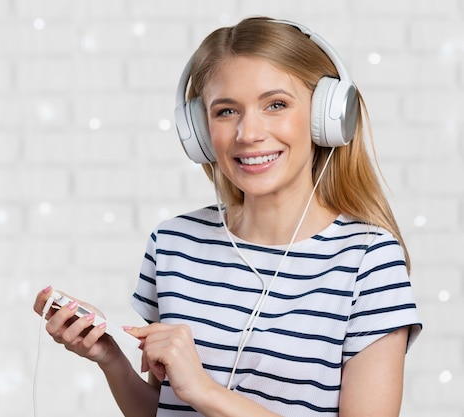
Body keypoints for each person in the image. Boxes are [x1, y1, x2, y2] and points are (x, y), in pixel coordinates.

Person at [33, 16, 422, 417]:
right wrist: (111, 360)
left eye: (275, 105)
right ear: (200, 131)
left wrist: (205, 390)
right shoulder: (173, 245)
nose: (248, 133)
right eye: (225, 111)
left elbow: (195, 394)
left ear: (327, 116)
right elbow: (165, 409)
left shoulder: (369, 262)